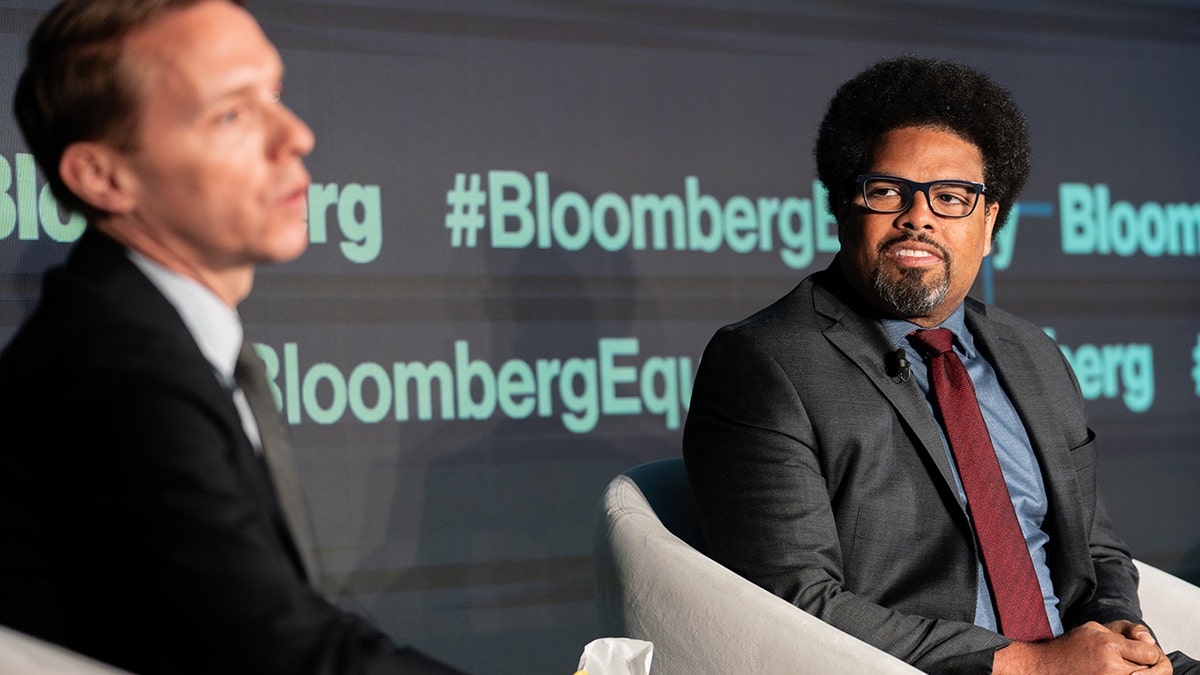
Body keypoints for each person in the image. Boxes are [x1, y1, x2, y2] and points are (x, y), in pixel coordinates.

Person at [683, 56, 1198, 675]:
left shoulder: (1033, 354)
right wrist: (1034, 667)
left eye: (951, 197)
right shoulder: (765, 363)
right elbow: (792, 604)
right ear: (843, 207)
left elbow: (1094, 549)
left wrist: (1121, 631)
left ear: (990, 224)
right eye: (888, 191)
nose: (918, 216)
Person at [0, 1, 461, 673]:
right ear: (102, 176)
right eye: (232, 114)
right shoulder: (111, 376)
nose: (297, 135)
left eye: (274, 93)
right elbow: (283, 655)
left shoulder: (146, 338)